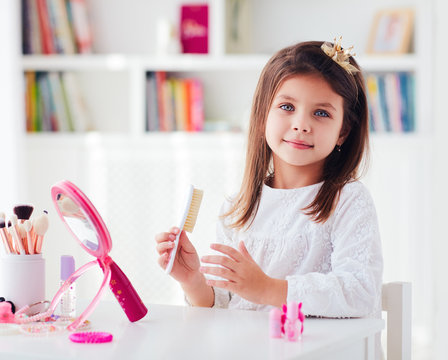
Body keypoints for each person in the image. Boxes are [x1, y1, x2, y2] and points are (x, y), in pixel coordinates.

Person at [155, 39, 383, 319]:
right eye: (287, 107)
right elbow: (225, 307)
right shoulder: (236, 210)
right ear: (263, 115)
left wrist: (267, 289)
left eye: (321, 113)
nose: (301, 124)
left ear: (343, 132)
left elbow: (360, 291)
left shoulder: (348, 200)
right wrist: (193, 282)